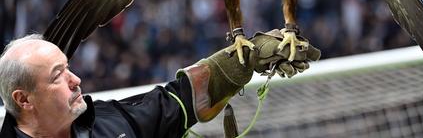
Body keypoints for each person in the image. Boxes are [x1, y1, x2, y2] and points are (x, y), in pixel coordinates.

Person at [0, 30, 320, 138]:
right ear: (24, 100)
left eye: (68, 68)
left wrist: (246, 57)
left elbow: (177, 101)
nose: (76, 80)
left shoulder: (111, 122)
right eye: (58, 76)